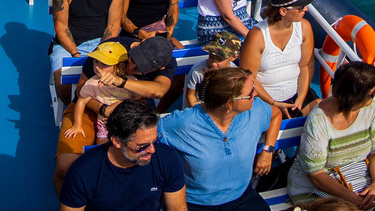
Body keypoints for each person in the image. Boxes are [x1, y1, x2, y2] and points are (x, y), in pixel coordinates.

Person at [158, 66, 282, 211]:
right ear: (229, 104)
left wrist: (268, 150)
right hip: (196, 203)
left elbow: (276, 115)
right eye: (250, 94)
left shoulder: (255, 110)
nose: (255, 94)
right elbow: (146, 137)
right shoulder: (182, 123)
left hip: (241, 196)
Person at [288, 62, 375, 209]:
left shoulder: (372, 107)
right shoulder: (319, 121)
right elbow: (316, 174)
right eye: (373, 92)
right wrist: (353, 200)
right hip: (315, 186)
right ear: (356, 96)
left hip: (355, 175)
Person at [58, 100, 187, 211]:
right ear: (117, 142)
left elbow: (177, 208)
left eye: (155, 141)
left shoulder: (167, 158)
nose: (152, 150)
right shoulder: (83, 172)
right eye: (142, 146)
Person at [55, 41, 139, 191]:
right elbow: (81, 101)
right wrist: (77, 125)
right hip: (104, 124)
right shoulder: (92, 83)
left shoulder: (130, 82)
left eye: (104, 64)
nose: (97, 67)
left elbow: (138, 99)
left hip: (124, 123)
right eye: (95, 62)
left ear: (119, 65)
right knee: (104, 151)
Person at [49, 0, 128, 96]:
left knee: (122, 81)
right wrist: (76, 56)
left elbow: (113, 26)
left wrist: (102, 55)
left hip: (103, 43)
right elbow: (61, 27)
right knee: (64, 85)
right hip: (70, 45)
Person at [241, 0, 317, 116]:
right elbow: (249, 76)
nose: (306, 9)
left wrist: (301, 98)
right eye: (301, 7)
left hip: (297, 96)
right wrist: (274, 103)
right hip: (264, 100)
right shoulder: (257, 36)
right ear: (283, 11)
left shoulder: (304, 27)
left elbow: (306, 65)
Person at [183, 32, 242, 108]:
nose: (213, 63)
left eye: (219, 59)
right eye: (211, 57)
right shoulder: (197, 71)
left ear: (233, 57)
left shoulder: (235, 74)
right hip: (198, 111)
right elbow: (190, 96)